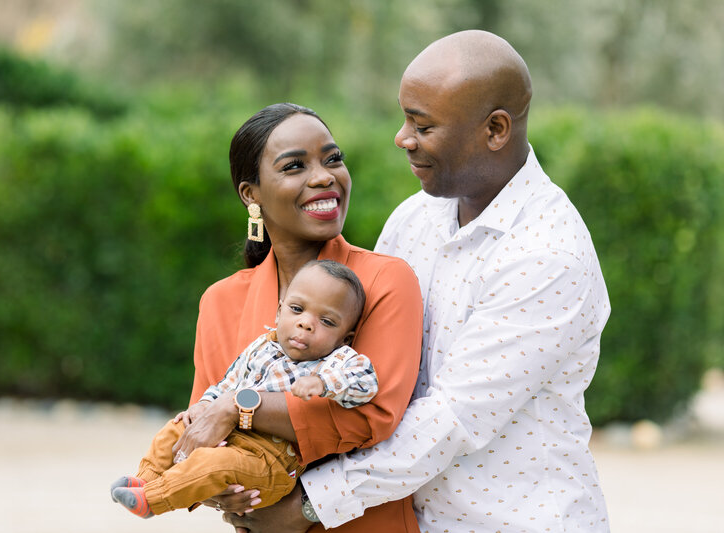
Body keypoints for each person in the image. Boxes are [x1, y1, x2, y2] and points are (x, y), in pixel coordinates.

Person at [223, 30, 612, 533]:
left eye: (422, 124)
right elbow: (362, 368)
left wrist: (305, 506)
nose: (401, 138)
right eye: (405, 117)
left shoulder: (547, 254)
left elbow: (452, 419)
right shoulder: (415, 218)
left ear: (495, 129)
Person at [160, 102, 425, 532]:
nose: (324, 176)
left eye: (333, 159)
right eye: (295, 166)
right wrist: (217, 486)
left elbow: (374, 414)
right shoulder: (220, 301)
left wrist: (240, 407)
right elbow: (203, 426)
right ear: (251, 195)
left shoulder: (386, 280)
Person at [110, 259, 379, 518]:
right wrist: (205, 405)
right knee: (175, 429)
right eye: (297, 309)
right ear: (279, 311)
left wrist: (322, 383)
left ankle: (153, 500)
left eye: (327, 322)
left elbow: (366, 382)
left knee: (212, 466)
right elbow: (228, 383)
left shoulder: (337, 360)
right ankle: (146, 480)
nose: (306, 323)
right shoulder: (262, 346)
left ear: (345, 338)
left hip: (270, 460)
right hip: (232, 434)